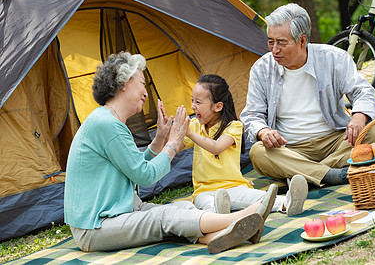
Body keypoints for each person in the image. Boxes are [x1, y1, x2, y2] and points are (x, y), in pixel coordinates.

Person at [64, 52, 275, 254]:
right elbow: (144, 176)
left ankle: (218, 236)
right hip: (96, 226)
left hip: (119, 210)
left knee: (182, 207)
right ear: (124, 84)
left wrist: (158, 141)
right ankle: (241, 218)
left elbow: (134, 166)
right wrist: (172, 143)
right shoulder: (106, 124)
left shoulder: (108, 121)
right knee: (165, 217)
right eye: (142, 84)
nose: (146, 93)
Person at [240, 3, 375, 188]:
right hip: (289, 148)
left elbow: (363, 91)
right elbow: (252, 114)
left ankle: (307, 175)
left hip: (336, 140)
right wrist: (263, 131)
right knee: (258, 152)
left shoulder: (333, 58)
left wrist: (359, 115)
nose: (274, 49)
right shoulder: (262, 68)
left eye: (282, 42)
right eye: (271, 41)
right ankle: (330, 174)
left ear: (302, 41)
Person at [182, 74, 309, 243]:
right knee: (208, 207)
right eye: (192, 101)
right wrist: (166, 131)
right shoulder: (194, 126)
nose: (193, 106)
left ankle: (288, 202)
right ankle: (222, 215)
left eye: (198, 102)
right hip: (204, 191)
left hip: (233, 186)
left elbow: (216, 147)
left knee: (258, 198)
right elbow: (175, 146)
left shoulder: (233, 126)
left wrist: (189, 133)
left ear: (218, 106)